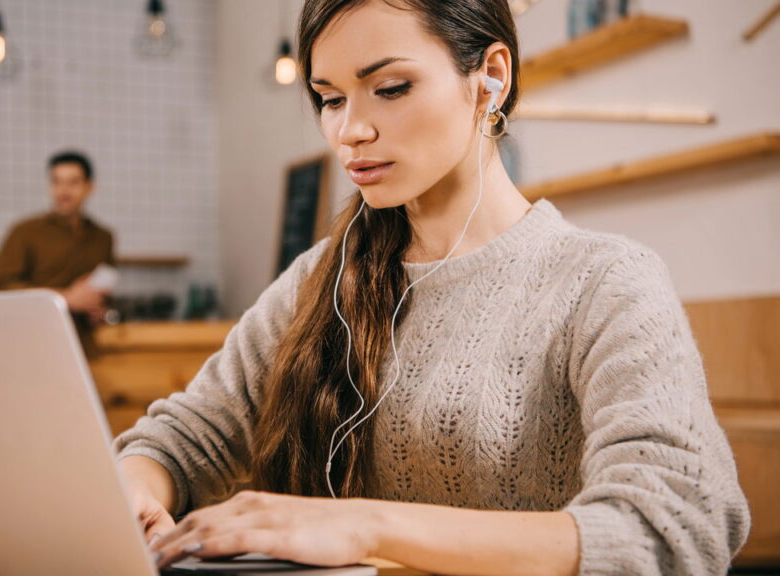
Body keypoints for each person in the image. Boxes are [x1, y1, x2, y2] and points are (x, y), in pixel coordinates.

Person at [114, 1, 751, 574]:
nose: (349, 131)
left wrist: (365, 525)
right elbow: (180, 440)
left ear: (490, 78)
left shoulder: (604, 282)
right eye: (330, 99)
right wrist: (136, 489)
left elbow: (675, 529)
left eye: (390, 88)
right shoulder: (318, 280)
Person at [0, 151, 115, 356]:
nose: (63, 190)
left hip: (83, 348)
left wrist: (99, 311)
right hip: (32, 344)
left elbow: (105, 296)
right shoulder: (25, 232)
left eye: (73, 182)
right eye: (57, 182)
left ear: (89, 187)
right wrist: (66, 298)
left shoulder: (103, 237)